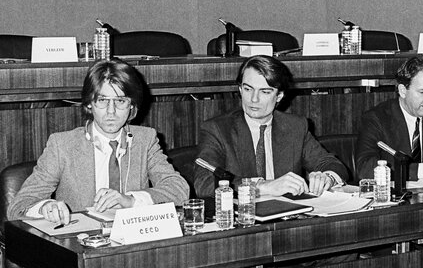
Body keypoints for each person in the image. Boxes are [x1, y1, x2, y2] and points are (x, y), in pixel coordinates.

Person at [7, 59, 189, 224]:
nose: (111, 111)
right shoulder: (62, 145)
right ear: (89, 104)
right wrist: (45, 207)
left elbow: (179, 190)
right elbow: (18, 206)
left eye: (120, 101)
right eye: (102, 100)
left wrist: (131, 200)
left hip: (132, 242)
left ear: (132, 105)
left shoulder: (145, 140)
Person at [194, 55, 348, 198]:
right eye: (248, 89)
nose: (254, 99)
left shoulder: (295, 126)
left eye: (265, 92)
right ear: (240, 89)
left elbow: (332, 164)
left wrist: (327, 177)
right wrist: (263, 187)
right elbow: (204, 183)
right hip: (244, 218)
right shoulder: (217, 129)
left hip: (287, 219)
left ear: (279, 96)